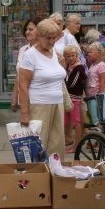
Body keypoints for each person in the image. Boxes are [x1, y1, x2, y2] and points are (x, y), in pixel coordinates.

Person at [18, 19, 66, 158]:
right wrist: (25, 113)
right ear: (39, 36)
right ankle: (38, 176)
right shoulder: (30, 55)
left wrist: (63, 65)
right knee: (39, 145)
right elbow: (23, 85)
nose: (51, 41)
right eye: (48, 38)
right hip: (39, 105)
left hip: (57, 103)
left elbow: (57, 76)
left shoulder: (55, 53)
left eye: (54, 38)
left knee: (57, 145)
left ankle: (55, 174)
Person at [10, 17, 41, 113]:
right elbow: (19, 74)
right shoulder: (23, 50)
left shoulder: (45, 50)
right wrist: (14, 96)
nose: (27, 32)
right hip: (24, 98)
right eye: (26, 29)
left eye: (31, 29)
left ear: (40, 31)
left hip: (40, 99)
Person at [63, 44, 86, 149]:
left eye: (73, 55)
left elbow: (72, 83)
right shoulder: (68, 66)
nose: (71, 58)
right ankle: (67, 139)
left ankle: (77, 146)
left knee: (76, 122)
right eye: (68, 56)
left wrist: (62, 86)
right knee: (66, 121)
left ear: (77, 55)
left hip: (75, 98)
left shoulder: (79, 67)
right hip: (68, 98)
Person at [85, 41, 105, 125]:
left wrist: (100, 98)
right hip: (90, 96)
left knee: (96, 119)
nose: (89, 54)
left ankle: (98, 135)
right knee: (92, 118)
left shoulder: (102, 65)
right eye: (88, 52)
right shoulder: (93, 65)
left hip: (96, 98)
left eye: (91, 52)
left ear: (98, 53)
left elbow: (102, 83)